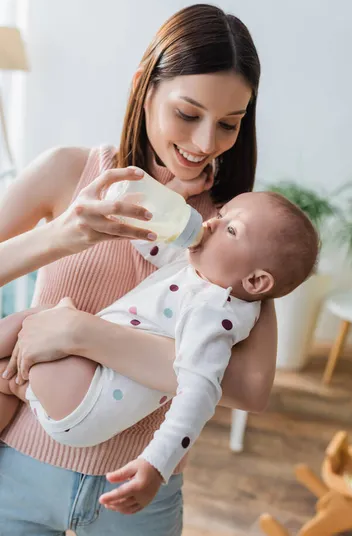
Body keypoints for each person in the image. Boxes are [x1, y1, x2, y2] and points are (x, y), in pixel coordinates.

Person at [0, 4, 278, 536]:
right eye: (188, 114)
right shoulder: (70, 172)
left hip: (142, 496)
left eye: (228, 125)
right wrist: (62, 236)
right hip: (19, 473)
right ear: (144, 87)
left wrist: (80, 332)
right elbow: (216, 375)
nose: (204, 143)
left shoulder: (238, 228)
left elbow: (251, 386)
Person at [0, 191, 318, 512]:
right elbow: (149, 240)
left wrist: (156, 464)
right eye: (221, 213)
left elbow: (197, 395)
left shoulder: (213, 313)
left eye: (231, 229)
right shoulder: (197, 268)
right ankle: (16, 384)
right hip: (73, 399)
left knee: (38, 317)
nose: (211, 223)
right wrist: (133, 201)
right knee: (7, 372)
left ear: (256, 281)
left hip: (85, 393)